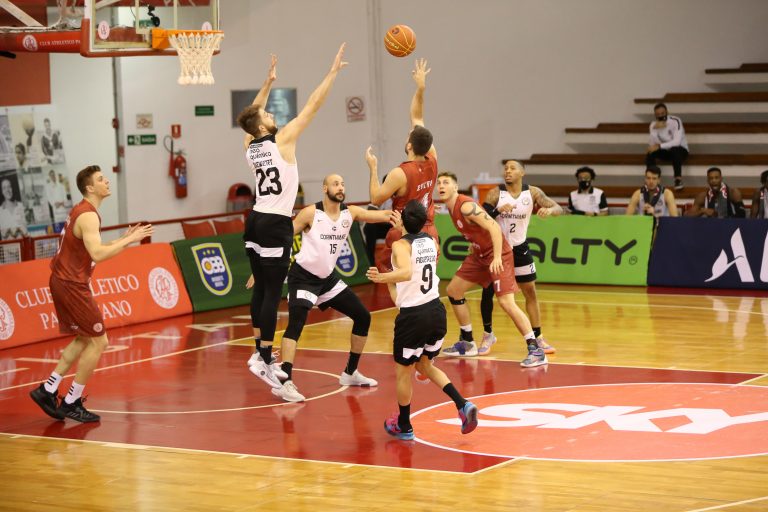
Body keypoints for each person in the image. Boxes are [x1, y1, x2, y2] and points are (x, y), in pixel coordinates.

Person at [236, 45, 348, 387]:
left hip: (255, 219)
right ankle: (266, 360)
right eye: (269, 114)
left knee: (260, 290)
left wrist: (267, 83)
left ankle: (259, 351)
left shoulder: (250, 145)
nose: (273, 115)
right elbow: (313, 105)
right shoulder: (282, 140)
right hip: (275, 223)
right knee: (272, 293)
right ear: (264, 124)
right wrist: (332, 73)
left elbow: (252, 116)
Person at [29, 165, 153, 422]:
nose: (106, 181)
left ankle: (48, 389)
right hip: (71, 285)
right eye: (100, 179)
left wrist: (122, 239)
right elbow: (97, 253)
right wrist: (128, 241)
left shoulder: (84, 211)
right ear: (90, 188)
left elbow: (93, 248)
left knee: (85, 339)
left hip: (63, 281)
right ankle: (71, 401)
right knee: (99, 341)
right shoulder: (88, 216)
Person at [263, 174, 395, 402]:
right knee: (295, 325)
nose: (340, 187)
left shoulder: (350, 213)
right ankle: (285, 383)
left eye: (343, 183)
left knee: (363, 317)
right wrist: (264, 263)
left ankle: (350, 372)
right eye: (335, 184)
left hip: (327, 279)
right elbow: (285, 236)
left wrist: (406, 211)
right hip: (303, 278)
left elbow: (382, 215)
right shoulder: (311, 213)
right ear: (325, 188)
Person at [366, 200, 478, 440]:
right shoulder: (429, 240)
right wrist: (390, 278)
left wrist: (381, 278)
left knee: (403, 373)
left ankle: (404, 425)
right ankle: (462, 404)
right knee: (425, 366)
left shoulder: (400, 245)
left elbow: (406, 272)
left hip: (414, 317)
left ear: (403, 220)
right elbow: (408, 280)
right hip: (435, 310)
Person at [436, 172, 545, 367]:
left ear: (455, 187)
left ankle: (536, 350)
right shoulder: (450, 207)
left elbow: (494, 227)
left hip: (497, 254)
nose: (441, 186)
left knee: (506, 302)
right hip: (479, 255)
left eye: (446, 182)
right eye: (439, 183)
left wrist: (496, 257)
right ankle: (467, 342)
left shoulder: (466, 206)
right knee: (453, 290)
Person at [457, 159, 563, 357]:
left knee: (530, 292)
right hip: (495, 249)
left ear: (522, 172)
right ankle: (488, 334)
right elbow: (479, 217)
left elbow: (559, 208)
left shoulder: (533, 192)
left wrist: (549, 210)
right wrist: (497, 210)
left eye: (512, 168)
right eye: (505, 168)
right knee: (488, 292)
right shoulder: (496, 193)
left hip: (519, 248)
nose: (507, 171)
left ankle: (538, 337)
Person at [365, 58, 439, 274]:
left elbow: (376, 199)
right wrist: (420, 88)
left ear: (409, 145)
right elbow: (417, 116)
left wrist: (373, 168)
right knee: (424, 283)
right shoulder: (433, 158)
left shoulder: (400, 173)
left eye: (408, 136)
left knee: (394, 280)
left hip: (404, 232)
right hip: (429, 231)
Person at [645, 102, 689, 191]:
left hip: (681, 150)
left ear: (667, 112)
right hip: (665, 151)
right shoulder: (653, 125)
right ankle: (652, 180)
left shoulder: (675, 121)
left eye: (662, 113)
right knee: (650, 153)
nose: (660, 116)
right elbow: (652, 144)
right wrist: (655, 130)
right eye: (658, 114)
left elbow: (677, 142)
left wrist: (659, 146)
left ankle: (678, 180)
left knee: (675, 149)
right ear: (655, 115)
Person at [362, 174, 392, 267]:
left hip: (394, 226)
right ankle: (370, 263)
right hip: (382, 226)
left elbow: (395, 217)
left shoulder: (400, 196)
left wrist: (378, 215)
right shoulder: (381, 196)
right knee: (369, 227)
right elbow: (370, 211)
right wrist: (382, 217)